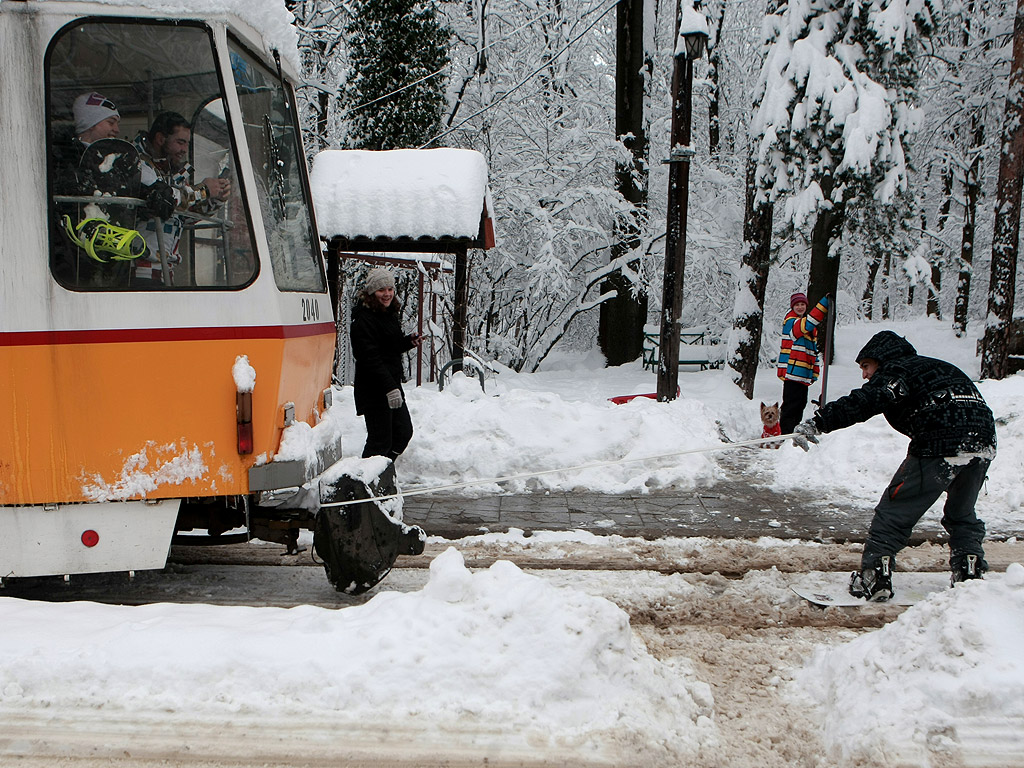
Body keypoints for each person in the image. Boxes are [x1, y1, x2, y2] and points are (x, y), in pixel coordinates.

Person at [792, 330, 997, 601]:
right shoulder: (934, 366)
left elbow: (864, 401)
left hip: (940, 442)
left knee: (894, 512)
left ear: (881, 359)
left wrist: (819, 422)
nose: (865, 375)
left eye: (866, 366)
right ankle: (969, 569)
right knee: (961, 512)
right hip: (982, 442)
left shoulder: (897, 371)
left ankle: (875, 576)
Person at [51, 93, 174, 286]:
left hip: (113, 259)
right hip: (66, 258)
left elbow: (142, 184)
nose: (116, 130)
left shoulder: (120, 161)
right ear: (91, 122)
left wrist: (159, 192)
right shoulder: (59, 156)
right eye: (110, 122)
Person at [132, 111, 232, 286]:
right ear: (161, 139)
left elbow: (180, 215)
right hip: (138, 269)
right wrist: (203, 191)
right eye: (180, 142)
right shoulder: (137, 163)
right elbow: (165, 200)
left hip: (164, 270)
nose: (184, 150)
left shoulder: (172, 171)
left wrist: (214, 200)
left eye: (187, 143)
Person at [350, 268, 421, 461]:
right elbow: (369, 358)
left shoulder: (388, 314)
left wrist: (407, 342)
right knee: (380, 441)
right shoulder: (363, 319)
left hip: (391, 384)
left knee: (403, 433)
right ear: (372, 292)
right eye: (382, 290)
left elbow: (388, 348)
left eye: (390, 288)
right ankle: (364, 482)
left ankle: (383, 472)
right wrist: (390, 388)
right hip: (374, 388)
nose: (387, 294)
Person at [777, 292, 830, 435]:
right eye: (797, 305)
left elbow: (811, 351)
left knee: (800, 404)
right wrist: (824, 303)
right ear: (792, 307)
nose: (800, 307)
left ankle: (793, 432)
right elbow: (808, 323)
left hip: (802, 373)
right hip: (792, 372)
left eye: (803, 304)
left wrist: (814, 371)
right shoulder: (792, 323)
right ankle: (786, 435)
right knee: (791, 405)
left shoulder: (807, 328)